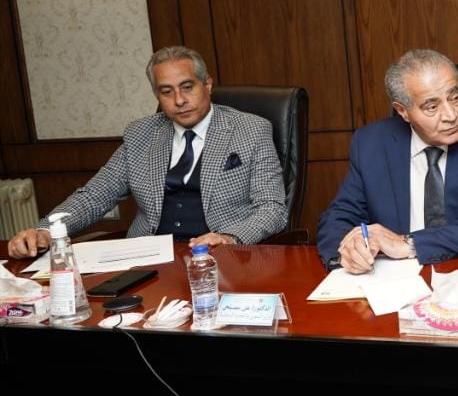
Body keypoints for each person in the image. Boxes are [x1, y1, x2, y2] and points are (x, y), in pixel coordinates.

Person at [6, 46, 288, 257]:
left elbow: (272, 208)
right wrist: (45, 230)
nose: (179, 100)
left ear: (207, 84)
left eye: (187, 87)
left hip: (219, 257)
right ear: (157, 96)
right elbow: (94, 196)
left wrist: (228, 237)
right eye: (167, 91)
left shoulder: (250, 130)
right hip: (147, 259)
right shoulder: (141, 134)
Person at [316, 49, 458, 272]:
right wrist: (350, 251)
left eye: (455, 98)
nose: (451, 116)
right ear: (402, 111)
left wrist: (409, 244)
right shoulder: (371, 143)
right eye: (432, 107)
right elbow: (338, 218)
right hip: (395, 277)